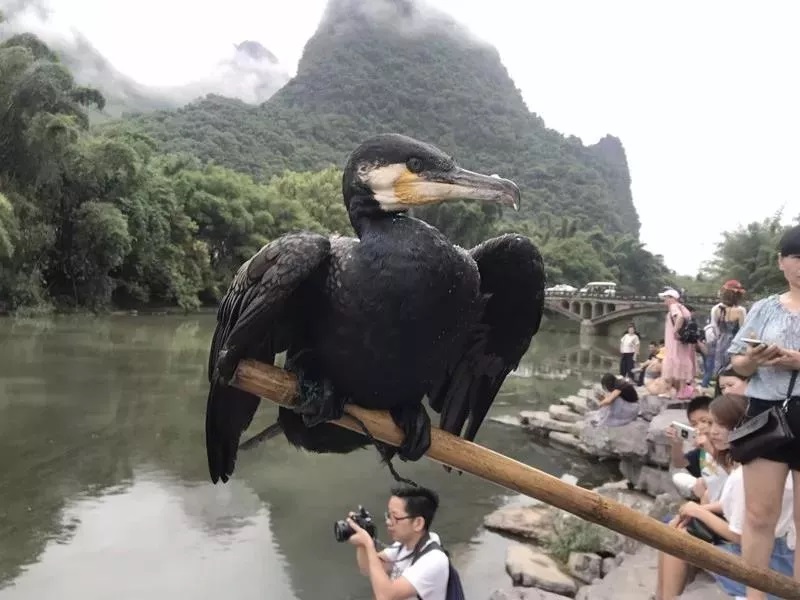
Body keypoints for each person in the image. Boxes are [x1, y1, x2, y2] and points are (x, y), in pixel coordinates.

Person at [655, 393, 795, 600]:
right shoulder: (768, 466)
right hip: (780, 552)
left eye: (718, 424)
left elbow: (741, 536)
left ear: (741, 425)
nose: (711, 431)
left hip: (774, 562)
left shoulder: (745, 475)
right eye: (710, 423)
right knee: (676, 527)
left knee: (677, 538)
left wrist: (699, 511)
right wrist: (699, 509)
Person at [727, 224, 800, 600]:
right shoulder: (764, 309)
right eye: (796, 257)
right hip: (766, 413)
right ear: (781, 261)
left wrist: (795, 361)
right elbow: (737, 365)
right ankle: (754, 595)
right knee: (758, 515)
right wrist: (754, 359)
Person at [349, 486, 449, 600]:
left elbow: (386, 596)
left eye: (395, 517)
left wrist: (368, 544)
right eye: (388, 515)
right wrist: (362, 540)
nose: (388, 522)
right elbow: (368, 568)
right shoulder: (403, 545)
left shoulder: (433, 560)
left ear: (418, 523)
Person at [657, 287, 697, 400]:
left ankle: (668, 390)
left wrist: (675, 331)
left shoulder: (674, 306)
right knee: (681, 364)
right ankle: (682, 391)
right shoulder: (683, 307)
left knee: (670, 365)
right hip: (683, 342)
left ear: (672, 298)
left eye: (666, 298)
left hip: (674, 342)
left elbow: (679, 317)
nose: (664, 300)